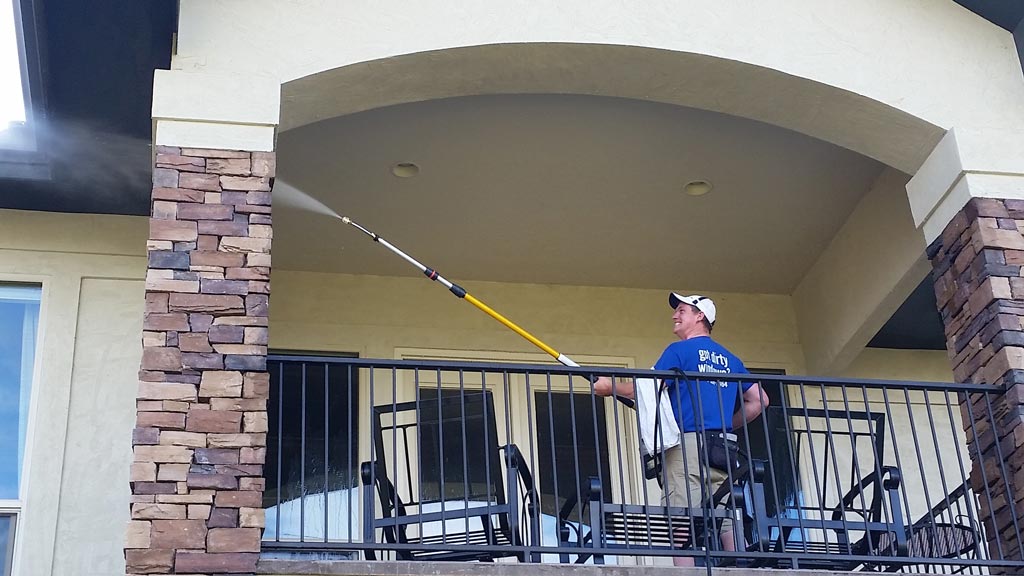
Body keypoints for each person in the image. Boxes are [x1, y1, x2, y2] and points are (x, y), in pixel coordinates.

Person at [595, 292, 768, 566]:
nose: (675, 315)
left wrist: (610, 388)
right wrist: (723, 425)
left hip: (685, 446)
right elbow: (760, 400)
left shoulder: (679, 351)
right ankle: (742, 570)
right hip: (724, 445)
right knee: (727, 514)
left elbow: (651, 387)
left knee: (681, 518)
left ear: (700, 316)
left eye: (682, 311)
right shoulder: (730, 359)